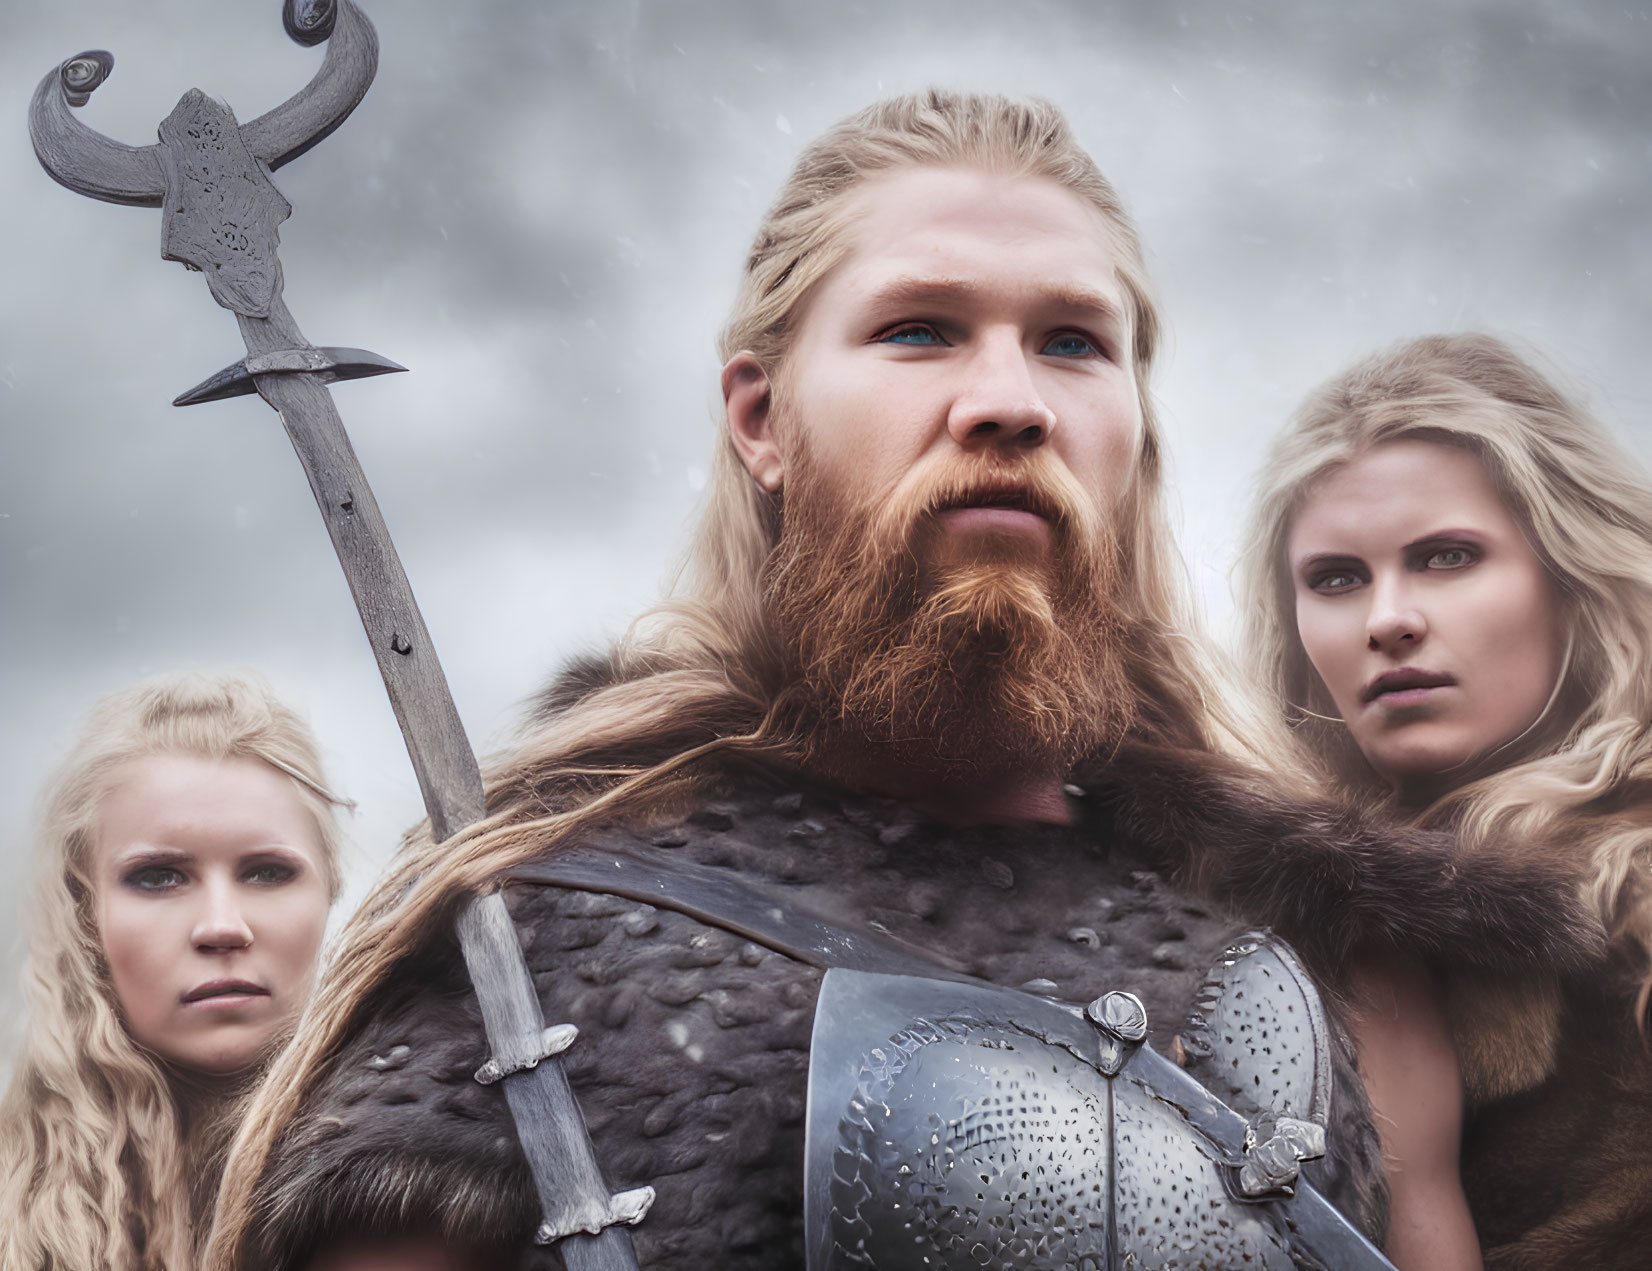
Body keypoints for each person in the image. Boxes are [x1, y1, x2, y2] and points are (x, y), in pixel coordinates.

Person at [208, 95, 1594, 1271]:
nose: (1010, 399)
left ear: (1133, 433)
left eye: (1071, 341)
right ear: (763, 418)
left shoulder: (1314, 946)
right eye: (922, 330)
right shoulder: (541, 941)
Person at [1239, 331, 1652, 1269]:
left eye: (1447, 557)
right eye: (1336, 578)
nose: (1388, 618)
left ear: (1567, 573)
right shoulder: (1276, 919)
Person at [0, 672, 347, 1271]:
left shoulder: (447, 1185)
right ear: (85, 915)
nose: (222, 926)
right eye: (158, 876)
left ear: (330, 892)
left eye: (266, 872)